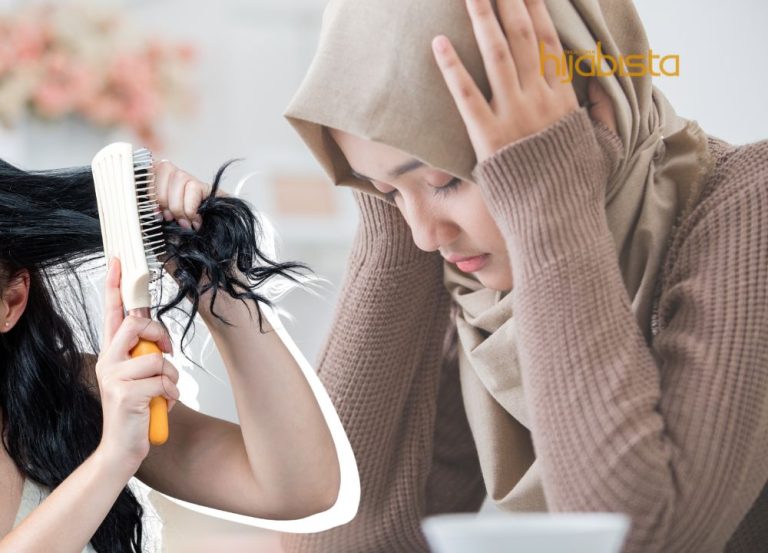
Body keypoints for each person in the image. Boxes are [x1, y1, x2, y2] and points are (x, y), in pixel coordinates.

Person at [280, 0, 768, 551]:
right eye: (385, 192)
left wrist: (549, 204)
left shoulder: (752, 206)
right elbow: (329, 538)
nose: (424, 236)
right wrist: (390, 236)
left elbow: (640, 540)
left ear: (589, 109)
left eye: (445, 179)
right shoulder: (476, 287)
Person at [0, 158, 356, 552]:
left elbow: (301, 488)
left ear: (11, 302)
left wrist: (214, 281)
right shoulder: (107, 439)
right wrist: (113, 459)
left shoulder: (63, 398)